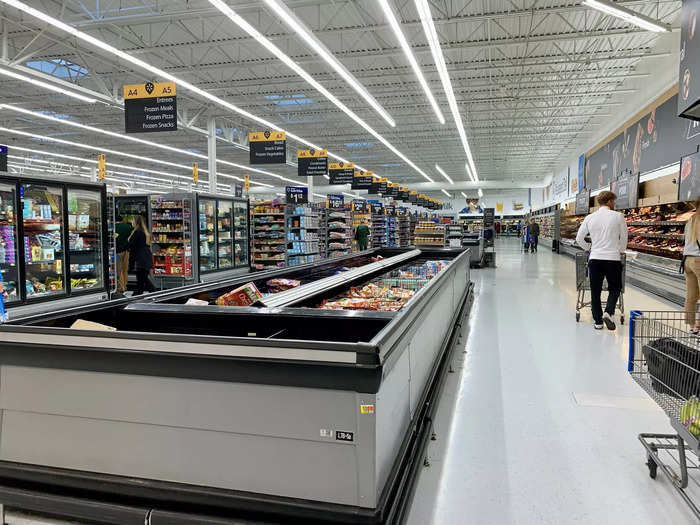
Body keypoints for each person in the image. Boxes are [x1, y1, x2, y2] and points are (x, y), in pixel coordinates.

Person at [575, 191, 627, 331]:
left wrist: (589, 248)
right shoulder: (618, 216)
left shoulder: (590, 218)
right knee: (615, 288)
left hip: (595, 259)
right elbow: (624, 238)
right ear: (609, 201)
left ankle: (598, 322)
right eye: (613, 201)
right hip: (612, 259)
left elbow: (579, 238)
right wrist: (621, 250)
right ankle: (608, 312)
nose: (614, 204)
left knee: (595, 290)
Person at [126, 215, 156, 295]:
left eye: (132, 220)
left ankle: (155, 294)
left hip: (140, 259)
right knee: (142, 280)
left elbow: (131, 245)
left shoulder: (137, 232)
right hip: (145, 257)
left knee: (142, 280)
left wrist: (120, 248)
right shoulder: (144, 232)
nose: (131, 222)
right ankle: (153, 294)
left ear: (136, 222)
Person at [683, 196, 700, 334]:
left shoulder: (690, 220)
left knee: (691, 296)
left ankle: (692, 326)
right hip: (698, 261)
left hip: (687, 260)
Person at [115, 214, 133, 293]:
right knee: (125, 269)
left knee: (118, 270)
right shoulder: (128, 227)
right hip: (126, 250)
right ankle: (125, 285)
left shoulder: (113, 227)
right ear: (122, 220)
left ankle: (120, 287)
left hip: (117, 251)